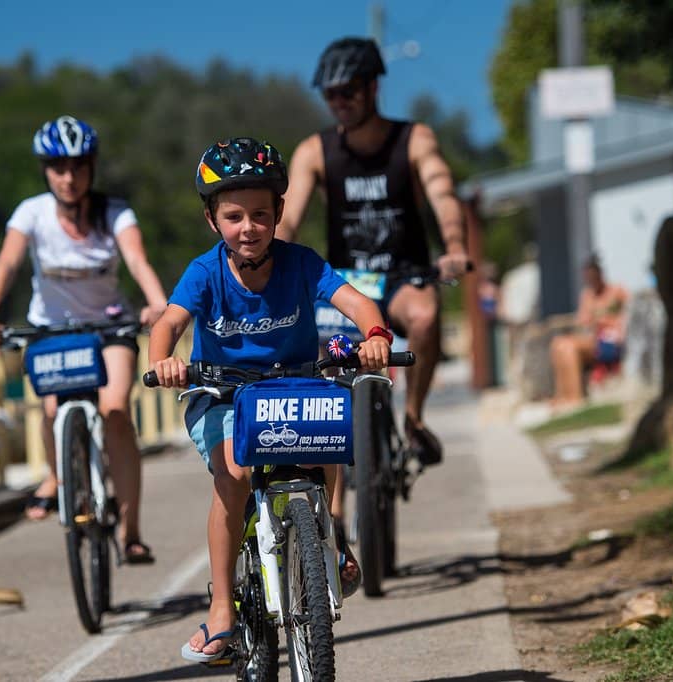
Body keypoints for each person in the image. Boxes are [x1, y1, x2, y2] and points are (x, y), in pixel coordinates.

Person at [149, 137, 392, 661]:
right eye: (234, 216)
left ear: (279, 212)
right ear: (212, 219)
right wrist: (163, 359)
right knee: (234, 474)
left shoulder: (302, 263)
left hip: (291, 388)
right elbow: (168, 322)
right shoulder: (204, 272)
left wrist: (375, 336)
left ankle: (328, 536)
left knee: (323, 434)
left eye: (261, 214)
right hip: (221, 394)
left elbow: (358, 303)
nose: (249, 227)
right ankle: (221, 606)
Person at [0, 115, 168, 563]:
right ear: (45, 170)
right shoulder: (31, 212)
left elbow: (137, 260)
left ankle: (131, 531)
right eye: (58, 168)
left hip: (109, 327)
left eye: (78, 167)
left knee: (115, 411)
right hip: (52, 329)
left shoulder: (115, 212)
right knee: (49, 410)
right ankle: (57, 476)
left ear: (92, 167)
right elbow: (7, 265)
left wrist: (157, 302)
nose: (69, 178)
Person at [276, 36, 469, 470]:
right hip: (344, 282)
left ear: (373, 87)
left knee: (425, 316)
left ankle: (414, 418)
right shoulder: (314, 151)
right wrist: (271, 256)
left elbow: (442, 193)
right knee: (324, 383)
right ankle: (336, 497)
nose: (338, 102)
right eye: (330, 94)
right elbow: (287, 218)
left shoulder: (413, 139)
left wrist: (455, 247)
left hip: (403, 275)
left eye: (348, 91)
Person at [548, 255, 628, 408]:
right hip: (594, 338)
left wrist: (609, 322)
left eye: (593, 276)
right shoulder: (587, 295)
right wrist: (594, 321)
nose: (590, 280)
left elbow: (629, 314)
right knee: (557, 344)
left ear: (599, 274)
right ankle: (561, 395)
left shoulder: (616, 291)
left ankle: (575, 397)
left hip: (608, 342)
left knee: (568, 347)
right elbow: (583, 321)